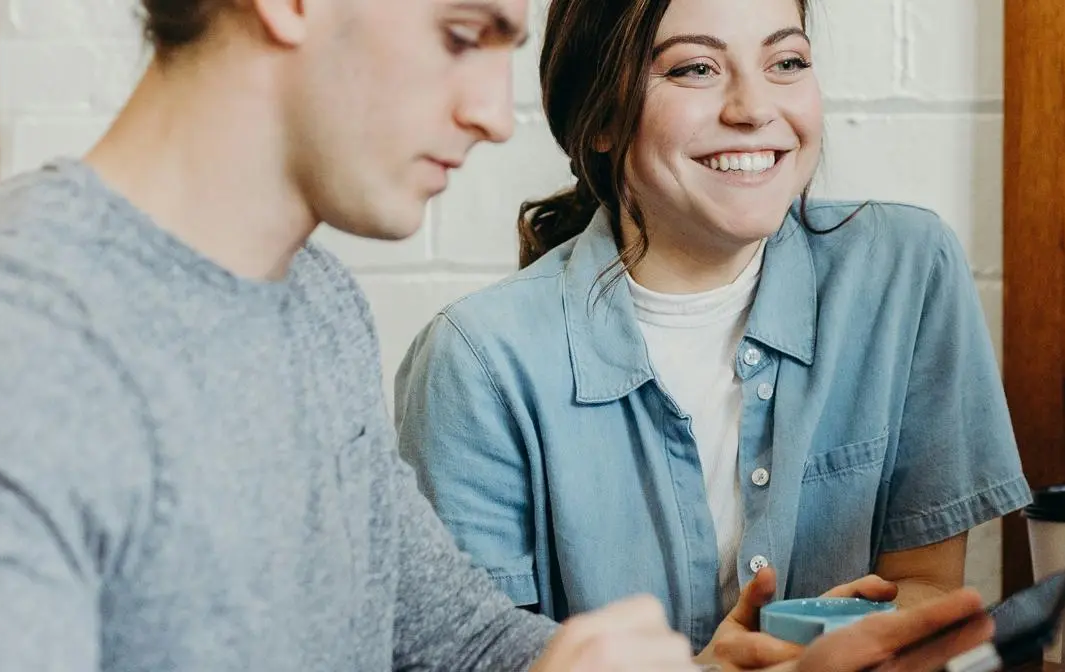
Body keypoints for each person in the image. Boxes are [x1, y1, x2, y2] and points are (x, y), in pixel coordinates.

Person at [0, 0, 994, 669]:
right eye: (461, 33)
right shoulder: (3, 345)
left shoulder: (311, 305)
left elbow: (463, 646)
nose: (491, 113)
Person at [394, 0, 1031, 663]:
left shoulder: (906, 271)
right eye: (696, 68)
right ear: (602, 118)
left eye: (786, 61)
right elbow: (470, 654)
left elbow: (925, 584)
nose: (754, 108)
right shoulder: (475, 361)